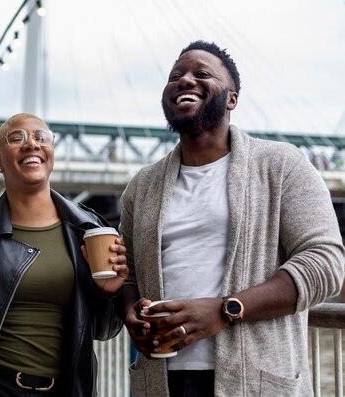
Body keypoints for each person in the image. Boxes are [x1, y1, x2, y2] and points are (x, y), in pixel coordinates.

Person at [120, 41, 345, 397]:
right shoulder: (142, 186)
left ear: (231, 99)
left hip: (255, 382)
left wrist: (226, 311)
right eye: (175, 76)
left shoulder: (282, 165)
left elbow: (326, 263)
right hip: (161, 380)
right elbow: (129, 272)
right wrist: (130, 309)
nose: (185, 80)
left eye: (202, 73)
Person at [0, 112, 128, 397]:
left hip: (68, 390)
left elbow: (104, 331)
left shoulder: (89, 229)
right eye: (16, 137)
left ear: (51, 153)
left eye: (41, 137)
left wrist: (108, 293)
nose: (31, 144)